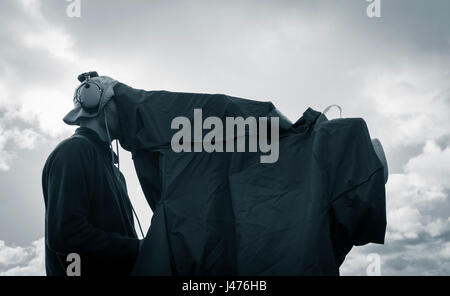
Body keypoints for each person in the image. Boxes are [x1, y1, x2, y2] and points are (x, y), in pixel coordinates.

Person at [41, 73, 142, 276]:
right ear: (95, 103)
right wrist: (139, 248)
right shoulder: (74, 151)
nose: (125, 112)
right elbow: (66, 234)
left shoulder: (115, 172)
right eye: (119, 104)